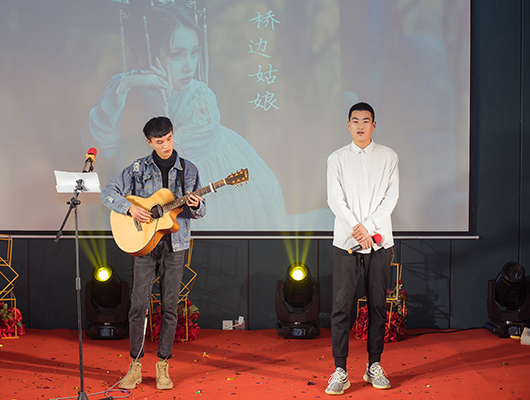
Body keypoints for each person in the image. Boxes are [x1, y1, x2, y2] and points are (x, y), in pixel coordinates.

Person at [86, 1, 287, 231]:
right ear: (145, 57)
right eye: (176, 55)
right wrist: (127, 85)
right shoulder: (124, 87)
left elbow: (174, 155)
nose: (188, 66)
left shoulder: (201, 97)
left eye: (194, 53)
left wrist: (162, 102)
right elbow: (102, 143)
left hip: (195, 178)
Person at [100, 116, 205, 390]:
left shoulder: (189, 170)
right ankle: (135, 366)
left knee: (170, 307)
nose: (166, 145)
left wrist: (196, 205)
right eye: (160, 142)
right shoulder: (137, 168)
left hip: (175, 245)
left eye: (169, 138)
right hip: (144, 245)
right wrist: (130, 208)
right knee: (138, 306)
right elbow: (108, 192)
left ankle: (163, 366)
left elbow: (199, 211)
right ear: (149, 142)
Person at [325, 102, 399, 395]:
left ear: (373, 125)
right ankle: (340, 370)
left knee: (378, 305)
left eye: (365, 121)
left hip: (379, 242)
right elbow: (335, 199)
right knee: (341, 307)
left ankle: (374, 365)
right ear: (348, 125)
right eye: (355, 121)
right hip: (346, 242)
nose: (360, 126)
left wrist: (368, 228)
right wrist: (357, 228)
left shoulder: (388, 156)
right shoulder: (337, 158)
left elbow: (391, 198)